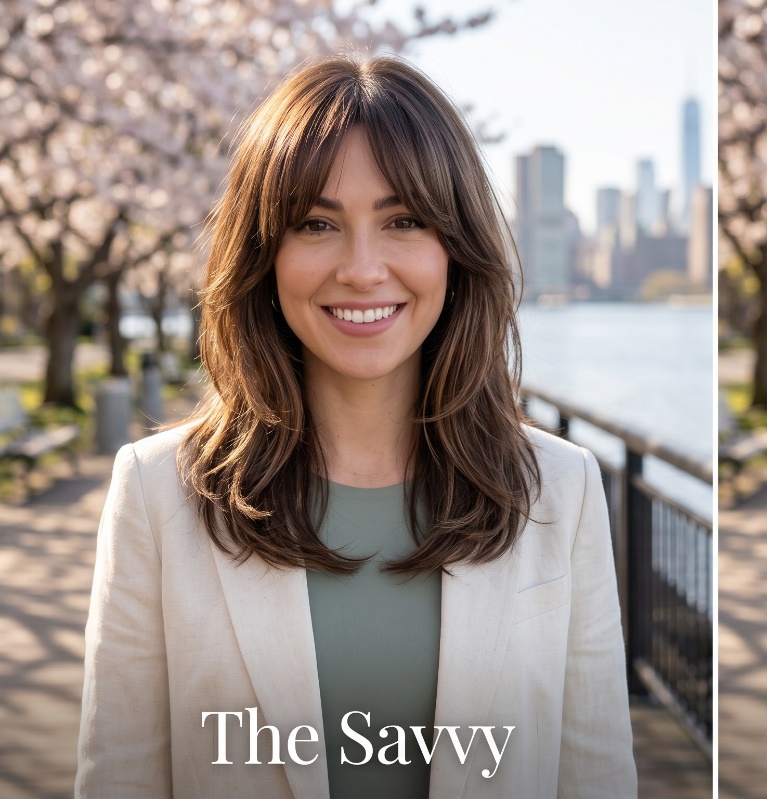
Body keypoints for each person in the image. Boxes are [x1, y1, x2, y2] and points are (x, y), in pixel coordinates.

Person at [76, 54, 637, 798]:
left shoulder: (561, 488)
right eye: (316, 224)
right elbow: (118, 779)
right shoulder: (157, 493)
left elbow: (595, 776)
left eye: (404, 221)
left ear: (455, 248)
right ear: (264, 255)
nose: (363, 268)